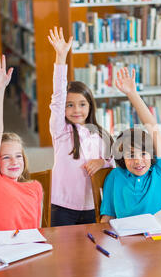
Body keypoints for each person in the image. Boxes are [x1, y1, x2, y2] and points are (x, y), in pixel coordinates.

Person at [47, 27, 114, 226]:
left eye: (82, 104)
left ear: (90, 105)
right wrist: (61, 58)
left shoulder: (100, 134)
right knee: (65, 252)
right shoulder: (61, 130)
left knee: (91, 252)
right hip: (62, 207)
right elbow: (58, 96)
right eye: (70, 105)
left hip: (93, 204)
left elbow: (113, 162)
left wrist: (102, 162)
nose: (76, 109)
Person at [0, 54, 43, 231]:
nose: (14, 162)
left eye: (18, 156)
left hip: (25, 250)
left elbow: (35, 230)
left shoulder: (35, 188)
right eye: (6, 157)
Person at [100, 67, 161, 222]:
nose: (138, 160)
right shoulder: (115, 176)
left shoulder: (160, 172)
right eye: (131, 155)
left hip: (160, 239)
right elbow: (108, 217)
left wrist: (132, 94)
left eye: (143, 153)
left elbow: (152, 127)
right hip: (126, 242)